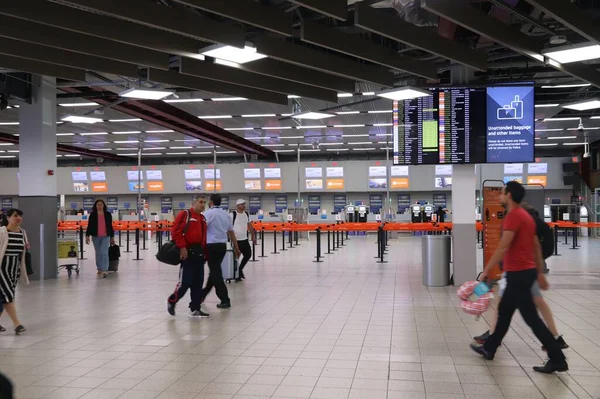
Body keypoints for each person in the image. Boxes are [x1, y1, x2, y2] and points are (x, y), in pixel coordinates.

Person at [470, 181, 568, 374]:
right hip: (523, 273)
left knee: (532, 319)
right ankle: (489, 348)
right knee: (504, 313)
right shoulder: (526, 216)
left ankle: (558, 358)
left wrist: (486, 271)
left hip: (519, 275)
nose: (499, 196)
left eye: (502, 193)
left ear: (509, 196)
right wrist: (539, 272)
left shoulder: (514, 216)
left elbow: (503, 247)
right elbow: (535, 246)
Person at [167, 196, 209, 318]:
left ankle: (195, 308)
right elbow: (176, 232)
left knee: (198, 283)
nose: (203, 205)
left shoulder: (202, 218)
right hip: (187, 253)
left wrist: (205, 253)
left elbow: (204, 237)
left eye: (204, 202)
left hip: (199, 254)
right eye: (201, 202)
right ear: (194, 203)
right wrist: (182, 247)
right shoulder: (185, 214)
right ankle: (172, 301)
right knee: (185, 283)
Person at [201, 194, 241, 309]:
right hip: (222, 246)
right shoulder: (226, 215)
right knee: (214, 270)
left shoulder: (208, 214)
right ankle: (203, 295)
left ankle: (225, 299)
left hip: (211, 246)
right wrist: (236, 247)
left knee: (216, 272)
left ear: (211, 202)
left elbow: (202, 230)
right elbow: (231, 232)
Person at [0, 209, 29, 335]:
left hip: (14, 268)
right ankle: (17, 324)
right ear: (8, 218)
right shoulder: (2, 231)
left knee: (4, 296)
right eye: (15, 216)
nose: (18, 218)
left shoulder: (22, 232)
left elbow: (23, 251)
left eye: (20, 216)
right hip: (2, 267)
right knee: (8, 296)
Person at [85, 200, 115, 278]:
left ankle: (105, 270)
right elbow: (89, 225)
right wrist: (87, 235)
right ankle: (99, 269)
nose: (99, 206)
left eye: (101, 204)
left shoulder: (108, 215)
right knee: (98, 253)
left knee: (104, 253)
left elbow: (110, 226)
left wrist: (112, 237)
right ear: (95, 206)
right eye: (98, 204)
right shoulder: (92, 215)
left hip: (106, 236)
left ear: (103, 206)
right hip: (95, 236)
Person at [231, 199, 256, 281]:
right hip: (236, 240)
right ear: (237, 206)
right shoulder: (233, 215)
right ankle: (236, 274)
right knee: (236, 257)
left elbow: (249, 225)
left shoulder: (246, 214)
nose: (244, 206)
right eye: (242, 204)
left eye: (244, 204)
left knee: (248, 254)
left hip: (244, 239)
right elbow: (228, 228)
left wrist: (253, 236)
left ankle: (240, 269)